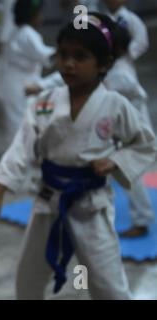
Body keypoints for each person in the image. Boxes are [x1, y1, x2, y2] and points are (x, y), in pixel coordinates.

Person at [0, 14, 156, 299]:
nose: (68, 63)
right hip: (47, 202)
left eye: (80, 56)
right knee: (27, 281)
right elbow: (21, 149)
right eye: (63, 54)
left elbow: (145, 143)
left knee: (109, 286)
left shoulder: (115, 105)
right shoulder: (44, 103)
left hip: (91, 207)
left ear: (104, 64)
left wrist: (115, 161)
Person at [27, 20, 155, 238]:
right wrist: (41, 85)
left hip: (129, 127)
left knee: (131, 175)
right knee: (110, 172)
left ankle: (142, 219)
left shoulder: (121, 75)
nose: (71, 62)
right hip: (108, 129)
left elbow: (134, 101)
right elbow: (66, 76)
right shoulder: (94, 69)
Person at [0, 0, 55, 146]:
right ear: (32, 15)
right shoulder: (28, 34)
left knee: (21, 122)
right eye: (39, 14)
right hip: (18, 85)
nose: (42, 17)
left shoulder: (19, 32)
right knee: (19, 124)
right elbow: (46, 57)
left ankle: (22, 154)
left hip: (17, 82)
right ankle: (18, 157)